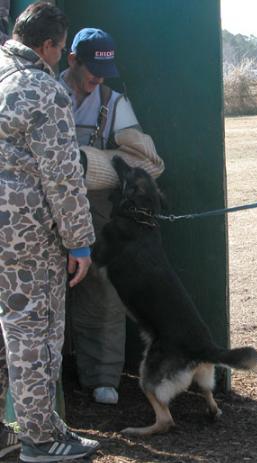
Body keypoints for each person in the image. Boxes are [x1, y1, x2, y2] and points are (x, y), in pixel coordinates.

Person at [0, 2, 100, 461]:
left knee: (3, 330)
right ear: (47, 46)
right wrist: (79, 240)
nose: (59, 58)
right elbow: (62, 176)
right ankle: (41, 438)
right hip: (26, 236)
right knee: (32, 333)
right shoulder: (42, 88)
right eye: (60, 49)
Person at [60, 28, 165, 405]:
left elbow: (149, 164)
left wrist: (90, 164)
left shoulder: (115, 104)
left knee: (102, 292)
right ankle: (48, 378)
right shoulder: (44, 92)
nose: (98, 78)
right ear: (71, 59)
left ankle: (101, 375)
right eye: (92, 68)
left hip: (96, 209)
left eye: (105, 70)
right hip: (44, 211)